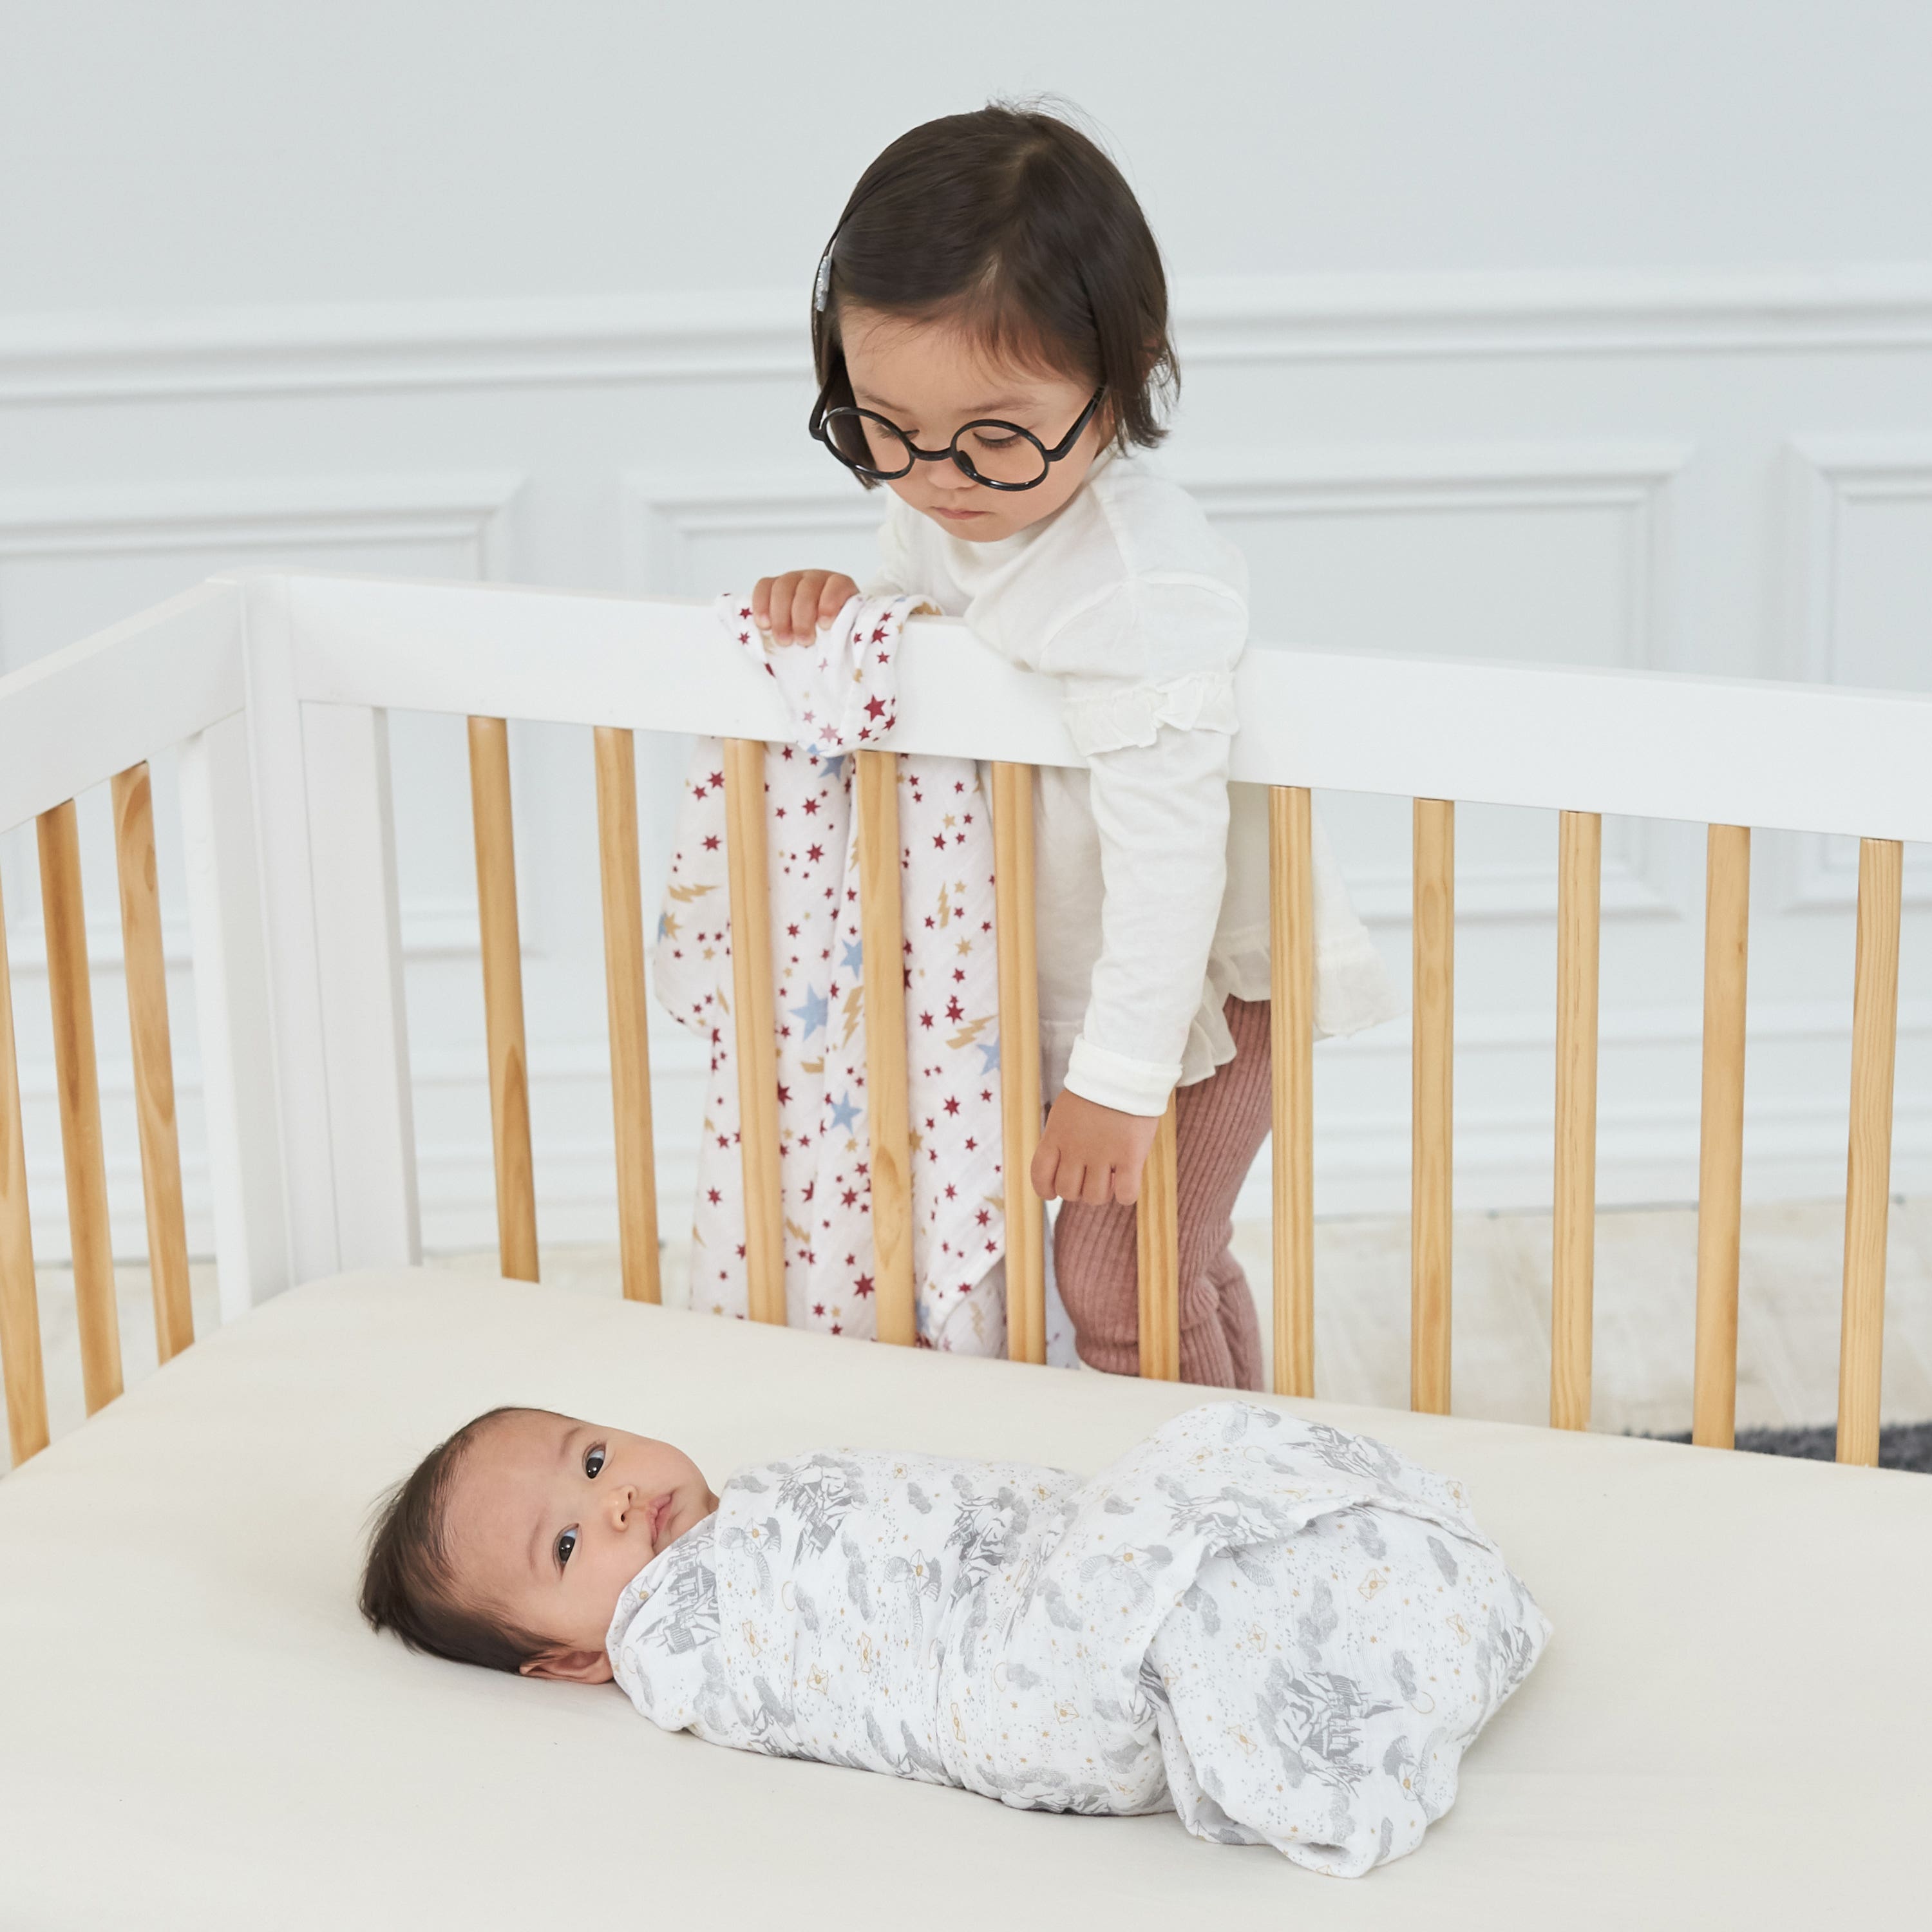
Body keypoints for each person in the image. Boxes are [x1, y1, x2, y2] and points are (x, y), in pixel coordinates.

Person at [753, 103, 1397, 1388]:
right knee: (1172, 1264)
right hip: (1096, 963)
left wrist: (1118, 1079)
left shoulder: (1138, 585)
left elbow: (1172, 859)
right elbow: (930, 633)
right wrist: (853, 610)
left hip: (1201, 983)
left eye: (995, 436)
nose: (939, 477)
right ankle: (1249, 1457)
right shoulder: (944, 504)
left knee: (1121, 1277)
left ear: (1124, 373)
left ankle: (1206, 1490)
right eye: (883, 426)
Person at [361, 1401, 1549, 1877]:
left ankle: (1365, 1613)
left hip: (1030, 1574)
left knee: (1201, 1516)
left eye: (593, 1457)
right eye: (569, 1544)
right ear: (576, 1660)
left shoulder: (760, 1486)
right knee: (1165, 1551)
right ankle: (1325, 1686)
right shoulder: (669, 1644)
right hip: (1009, 1686)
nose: (617, 1500)